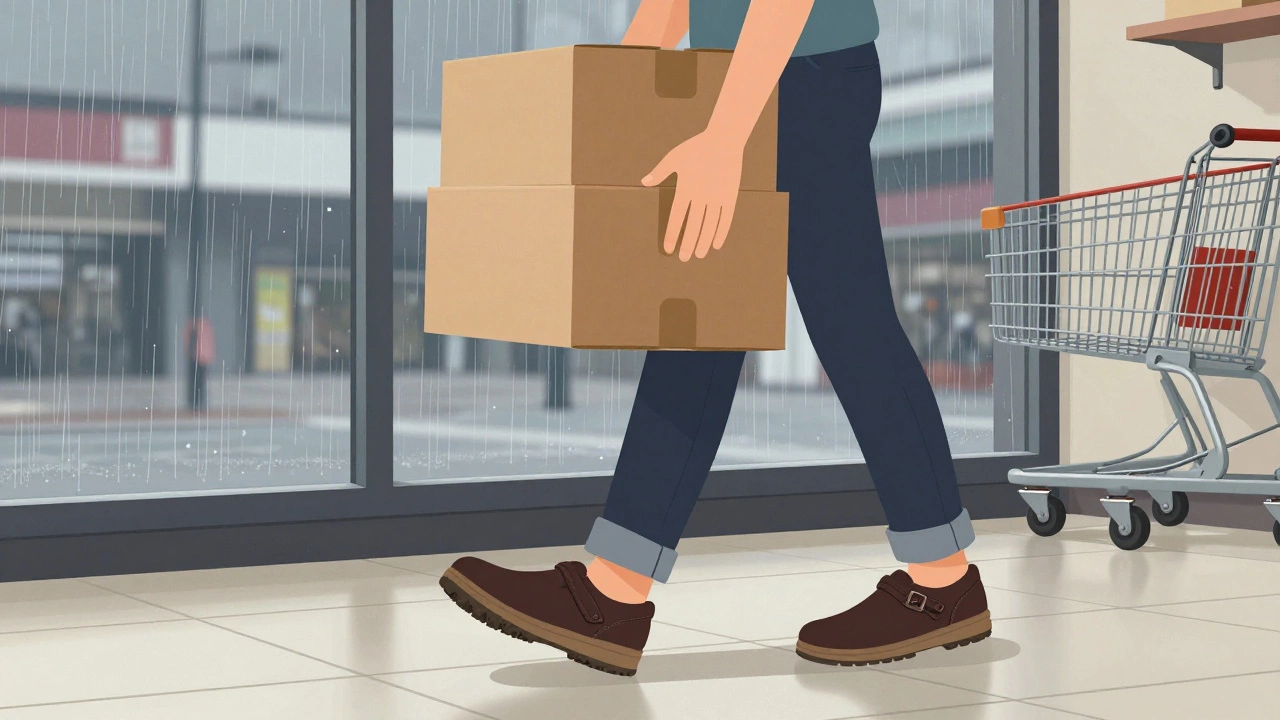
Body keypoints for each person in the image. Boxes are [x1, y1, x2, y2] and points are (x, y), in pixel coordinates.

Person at [440, 0, 989, 676]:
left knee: (847, 327)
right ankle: (615, 588)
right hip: (743, 76)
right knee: (703, 321)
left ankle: (941, 582)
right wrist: (619, 91)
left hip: (798, 72)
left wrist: (727, 136)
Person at [184, 315, 215, 412]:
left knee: (198, 382)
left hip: (199, 358)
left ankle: (196, 403)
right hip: (198, 358)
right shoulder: (201, 327)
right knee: (197, 382)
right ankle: (195, 403)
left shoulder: (197, 326)